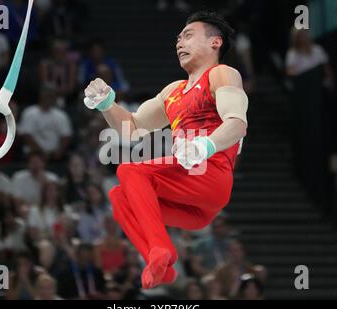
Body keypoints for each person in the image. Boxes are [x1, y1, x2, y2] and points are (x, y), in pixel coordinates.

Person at [82, 11, 248, 289]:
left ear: (215, 43)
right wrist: (106, 105)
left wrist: (204, 146)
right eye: (178, 38)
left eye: (188, 36)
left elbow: (237, 124)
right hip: (195, 205)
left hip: (212, 174)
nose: (179, 43)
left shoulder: (222, 74)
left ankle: (161, 249)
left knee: (129, 170)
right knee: (119, 195)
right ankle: (162, 267)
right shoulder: (173, 91)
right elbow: (130, 128)